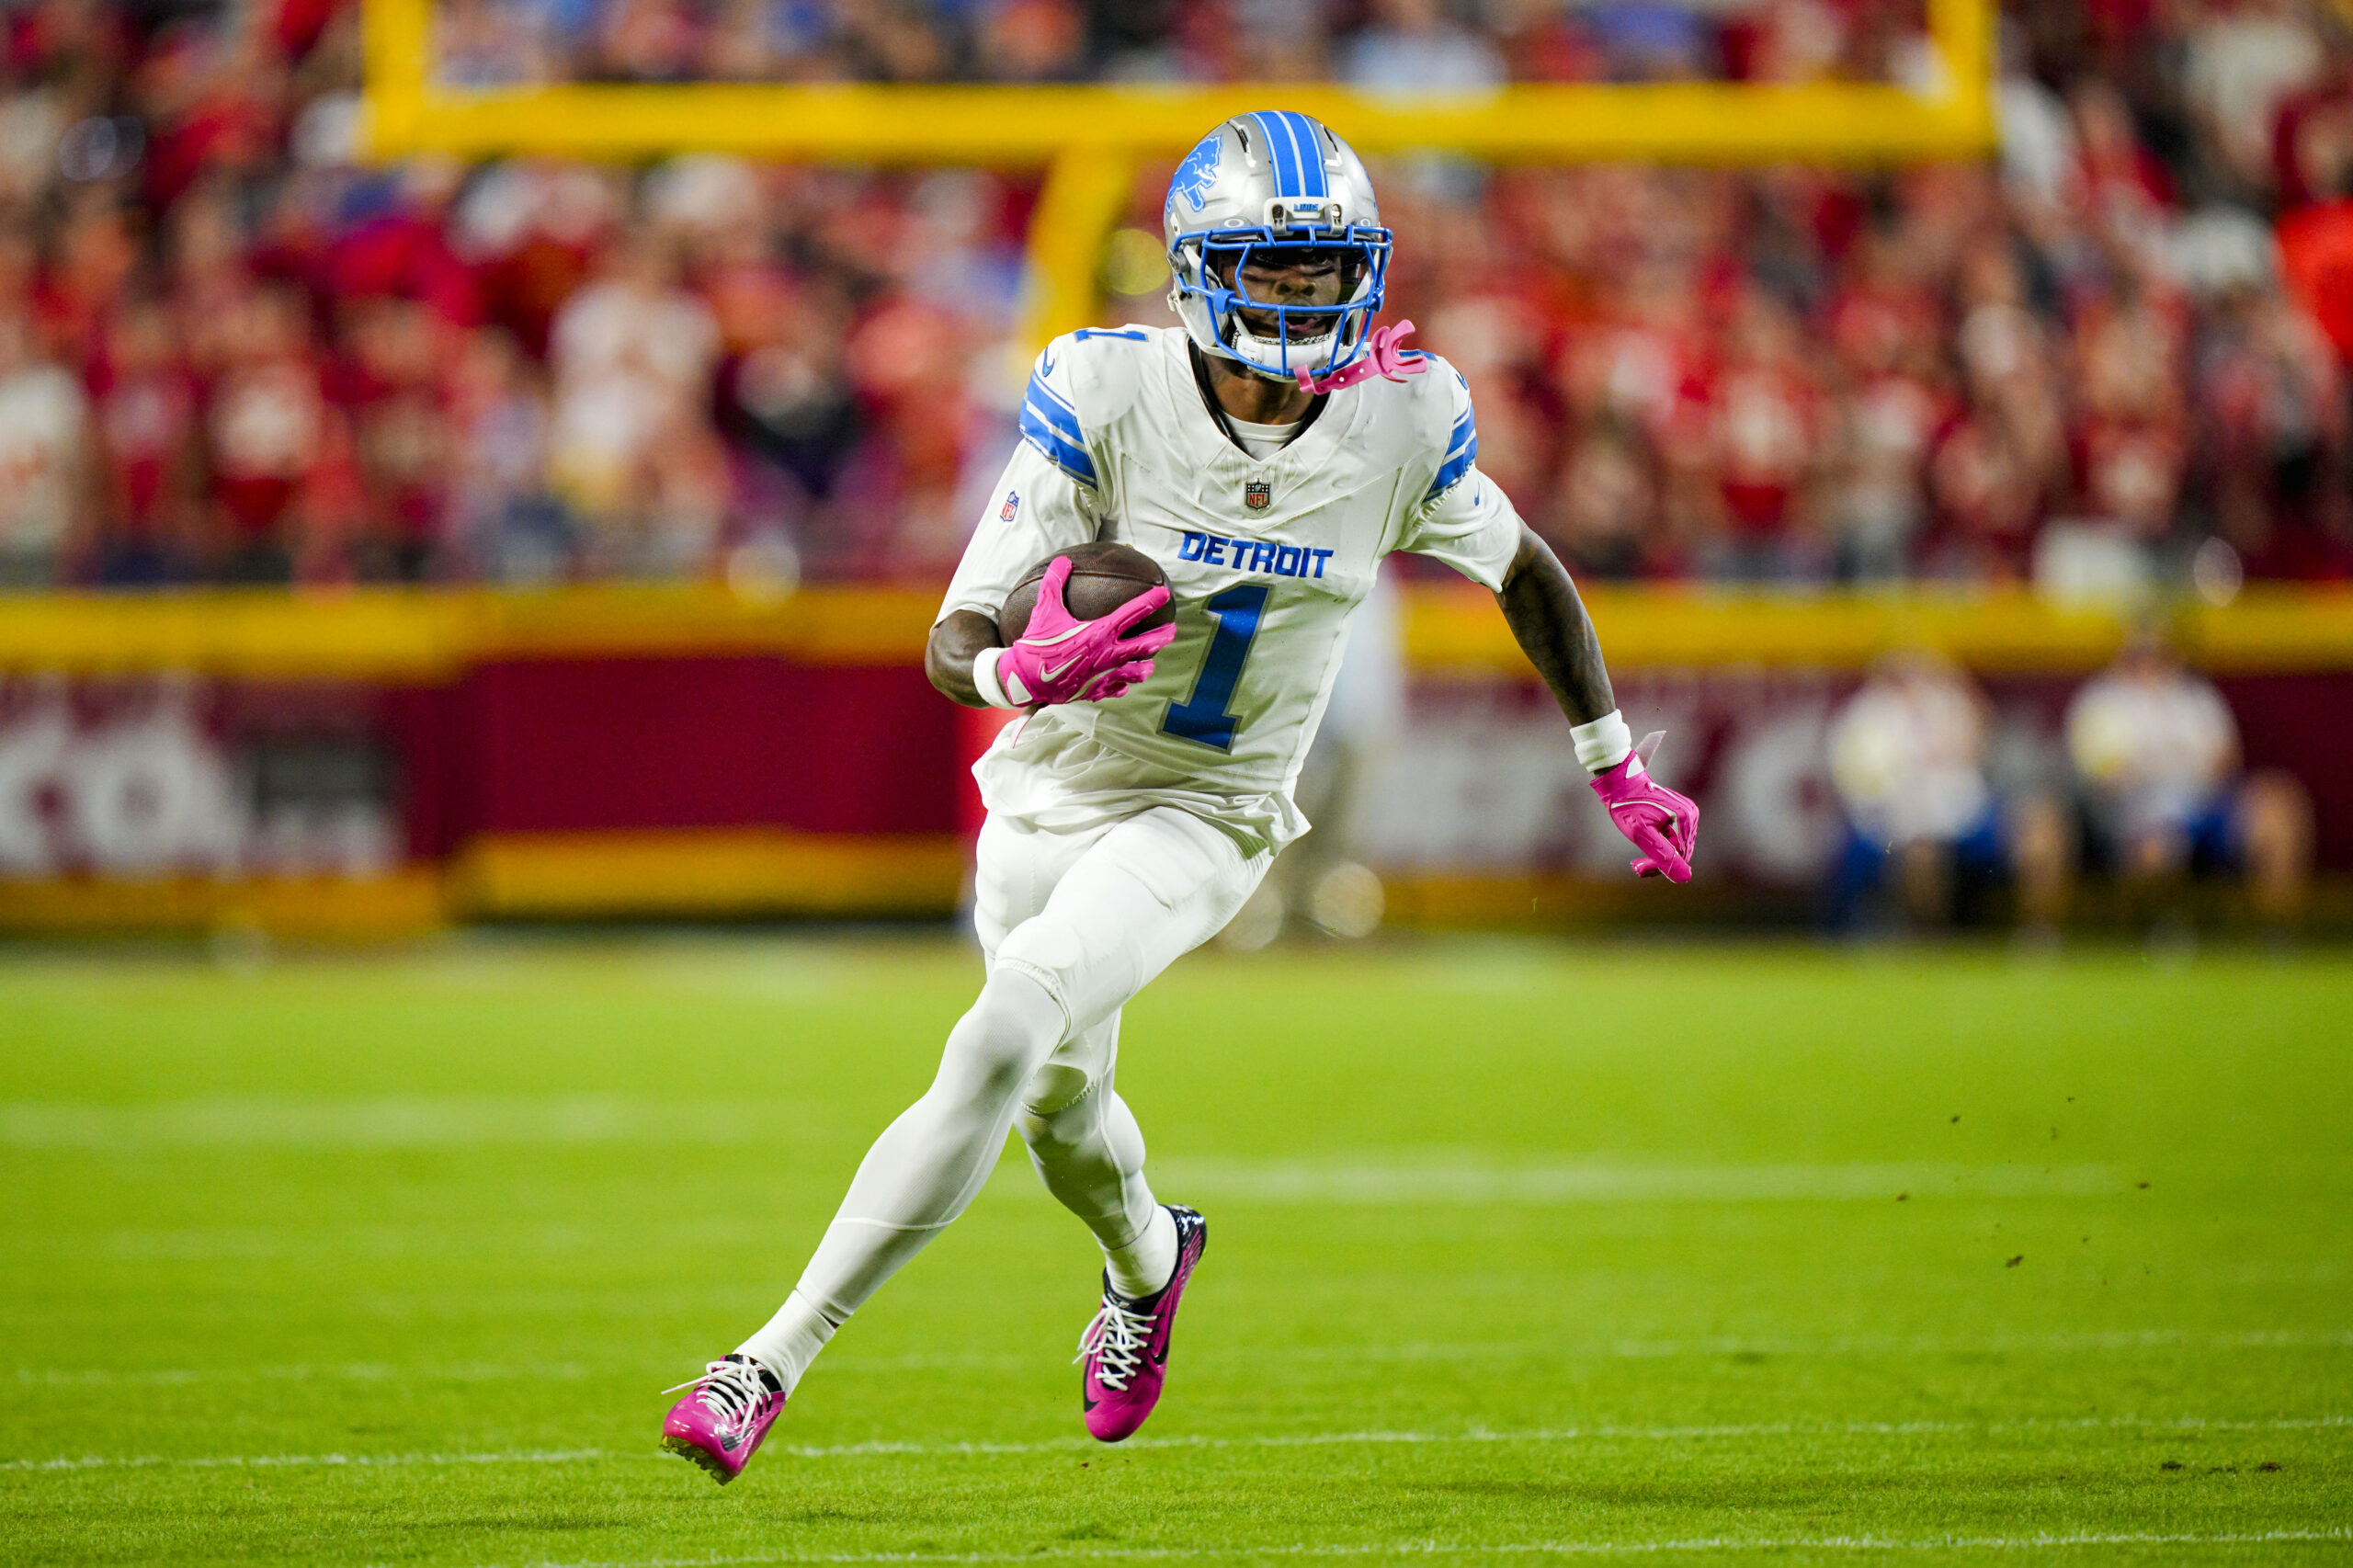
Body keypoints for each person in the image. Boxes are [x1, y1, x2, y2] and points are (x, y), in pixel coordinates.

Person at [657, 111, 1699, 1483]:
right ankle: (1150, 1257)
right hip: (1045, 792)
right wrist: (1027, 670)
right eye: (1276, 268)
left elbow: (1526, 572)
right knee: (1060, 1117)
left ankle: (761, 1365)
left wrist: (1611, 757)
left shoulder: (1399, 419)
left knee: (1000, 1033)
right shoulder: (1104, 389)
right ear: (1201, 270)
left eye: (1330, 270)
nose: (1309, 298)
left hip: (1207, 812)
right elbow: (952, 640)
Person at [2065, 631, 2312, 928]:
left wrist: (2182, 781)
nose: (2150, 661)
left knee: (2277, 809)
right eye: (2141, 652)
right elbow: (2102, 777)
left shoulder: (2197, 698)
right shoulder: (2102, 701)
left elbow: (2226, 761)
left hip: (2203, 807)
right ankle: (2156, 939)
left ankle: (2277, 933)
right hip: (2134, 815)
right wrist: (2163, 774)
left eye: (2158, 652)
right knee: (2157, 848)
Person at [1825, 649, 2069, 932]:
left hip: (1962, 818)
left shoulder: (1946, 702)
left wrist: (1955, 687)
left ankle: (2039, 933)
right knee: (1922, 856)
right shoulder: (1864, 718)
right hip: (1896, 827)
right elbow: (1861, 791)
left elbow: (1984, 748)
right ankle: (1923, 943)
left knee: (2039, 832)